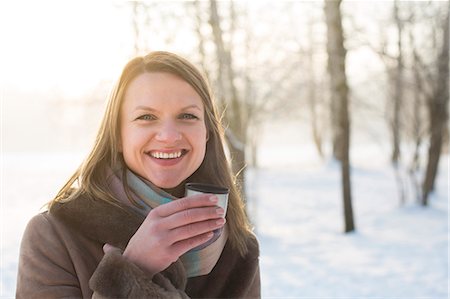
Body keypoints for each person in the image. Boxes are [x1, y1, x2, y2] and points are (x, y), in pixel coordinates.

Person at [16, 51, 260, 298]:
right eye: (146, 117)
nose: (169, 136)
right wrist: (133, 269)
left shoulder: (239, 250)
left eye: (187, 116)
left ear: (206, 132)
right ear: (118, 136)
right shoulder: (53, 236)